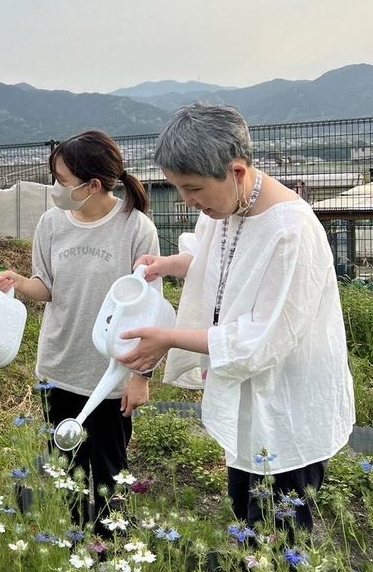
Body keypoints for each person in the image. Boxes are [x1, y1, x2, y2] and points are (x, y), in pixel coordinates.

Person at [119, 104, 355, 532]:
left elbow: (260, 340)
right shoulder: (226, 208)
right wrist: (171, 264)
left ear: (237, 171)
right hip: (251, 396)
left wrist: (168, 338)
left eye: (193, 188)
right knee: (246, 516)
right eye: (178, 187)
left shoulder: (290, 230)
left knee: (279, 534)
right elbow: (219, 263)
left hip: (287, 403)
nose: (187, 200)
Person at [0, 130, 160, 535]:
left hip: (109, 375)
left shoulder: (136, 228)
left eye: (62, 180)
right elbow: (47, 287)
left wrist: (141, 376)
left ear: (93, 185)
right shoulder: (51, 223)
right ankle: (73, 542)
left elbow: (150, 310)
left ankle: (110, 550)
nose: (56, 188)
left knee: (109, 471)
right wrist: (18, 282)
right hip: (59, 365)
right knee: (65, 466)